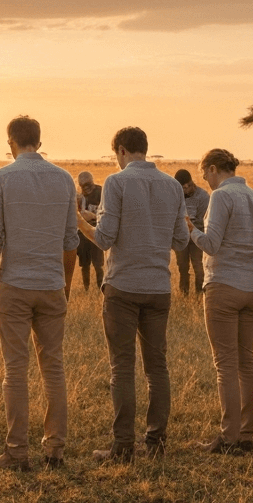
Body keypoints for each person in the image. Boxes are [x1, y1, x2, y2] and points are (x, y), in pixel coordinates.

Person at [74, 127, 188, 463]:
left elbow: (106, 238)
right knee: (158, 368)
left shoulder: (117, 182)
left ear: (122, 151)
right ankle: (156, 443)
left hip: (123, 285)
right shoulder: (172, 185)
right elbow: (181, 242)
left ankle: (123, 447)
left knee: (122, 367)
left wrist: (80, 222)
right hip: (158, 286)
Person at [0, 116, 78, 470]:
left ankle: (17, 451)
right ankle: (55, 449)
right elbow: (71, 241)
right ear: (39, 141)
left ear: (11, 141)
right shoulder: (64, 178)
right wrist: (64, 285)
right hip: (52, 283)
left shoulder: (1, 178)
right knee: (53, 367)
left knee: (15, 369)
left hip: (14, 283)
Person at [188, 149, 253, 455]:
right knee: (246, 361)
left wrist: (190, 229)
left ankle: (229, 437)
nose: (205, 181)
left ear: (212, 168)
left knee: (225, 364)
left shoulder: (221, 197)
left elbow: (211, 243)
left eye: (204, 174)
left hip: (223, 283)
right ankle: (246, 433)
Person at [174, 169, 210, 297]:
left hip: (197, 238)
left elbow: (205, 222)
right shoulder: (174, 197)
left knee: (199, 269)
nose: (188, 188)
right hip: (181, 239)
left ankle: (200, 296)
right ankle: (184, 295)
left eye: (190, 184)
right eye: (184, 187)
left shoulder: (203, 196)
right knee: (182, 267)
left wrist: (190, 227)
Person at [74, 171, 105, 290]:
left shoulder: (100, 192)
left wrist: (93, 216)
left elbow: (106, 212)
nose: (86, 189)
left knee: (98, 264)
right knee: (84, 264)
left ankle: (100, 289)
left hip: (96, 231)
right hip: (82, 233)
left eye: (88, 185)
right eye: (83, 186)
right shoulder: (79, 195)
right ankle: (86, 288)